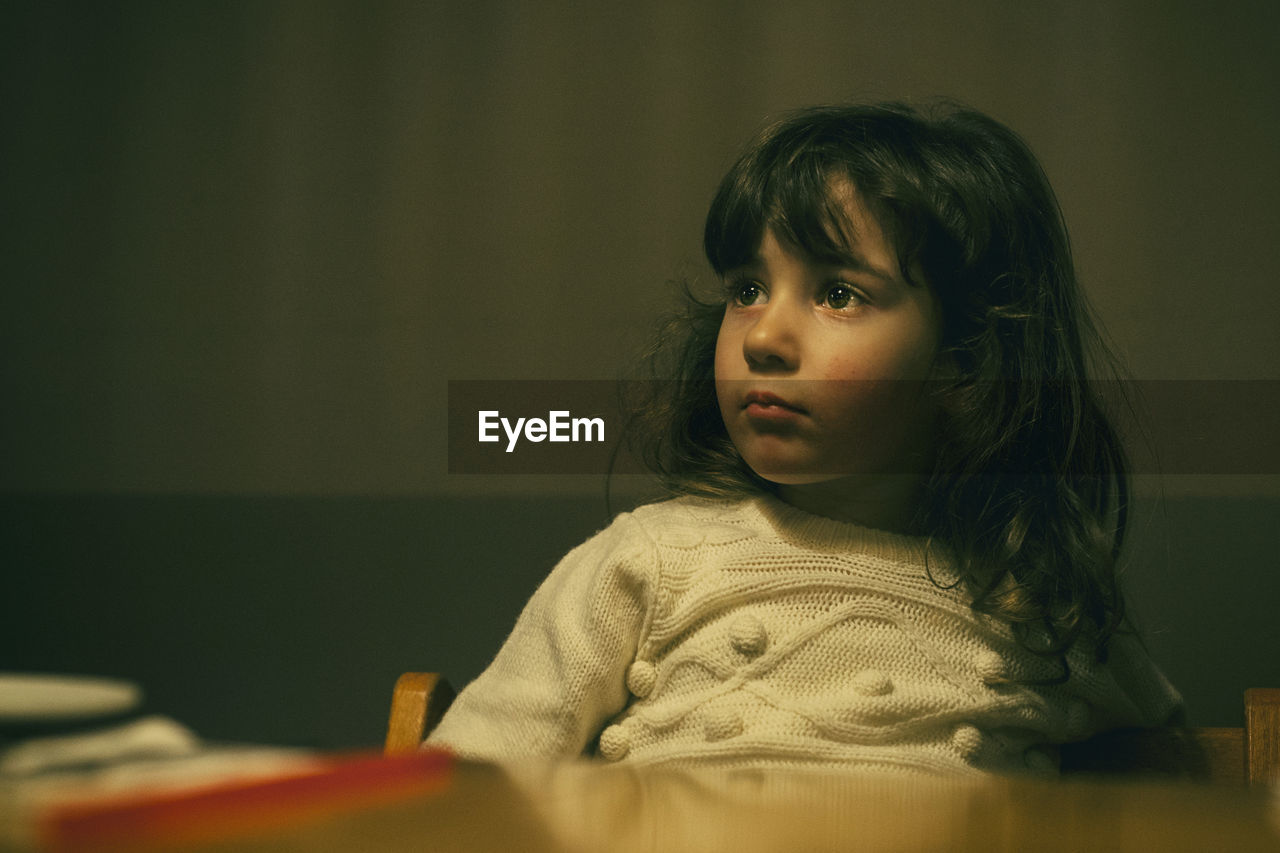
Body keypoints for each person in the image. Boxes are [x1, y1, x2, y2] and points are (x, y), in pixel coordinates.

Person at [427, 101, 1182, 775]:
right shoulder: (651, 561)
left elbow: (1185, 791)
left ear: (966, 360)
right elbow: (462, 782)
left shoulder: (1036, 603)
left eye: (838, 293)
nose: (765, 336)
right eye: (747, 289)